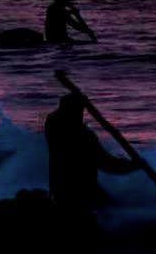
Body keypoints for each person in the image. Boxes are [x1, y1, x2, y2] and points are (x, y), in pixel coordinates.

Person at [44, 92, 138, 221]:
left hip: (59, 188)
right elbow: (106, 163)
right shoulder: (83, 136)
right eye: (81, 110)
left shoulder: (53, 125)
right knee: (114, 212)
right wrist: (132, 166)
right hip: (82, 190)